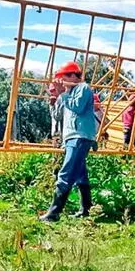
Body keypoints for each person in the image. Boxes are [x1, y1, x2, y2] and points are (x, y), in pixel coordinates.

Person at [40, 62, 96, 222]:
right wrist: (58, 95)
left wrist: (62, 94)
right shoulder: (70, 92)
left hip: (79, 136)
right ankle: (86, 209)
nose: (61, 81)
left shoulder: (83, 88)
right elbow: (59, 116)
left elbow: (77, 108)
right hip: (72, 137)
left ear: (73, 75)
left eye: (63, 77)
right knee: (80, 175)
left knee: (66, 173)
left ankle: (53, 213)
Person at [48, 83, 64, 148]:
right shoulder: (56, 101)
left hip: (61, 134)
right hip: (56, 134)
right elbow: (53, 116)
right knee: (56, 155)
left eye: (53, 90)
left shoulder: (61, 100)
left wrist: (51, 106)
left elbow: (57, 117)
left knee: (60, 155)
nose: (51, 93)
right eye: (50, 91)